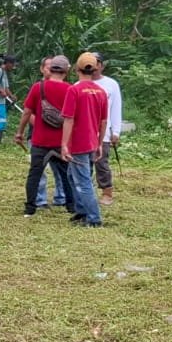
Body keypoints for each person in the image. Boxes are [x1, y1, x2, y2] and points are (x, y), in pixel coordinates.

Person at [15, 56, 76, 216]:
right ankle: (71, 206)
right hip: (60, 142)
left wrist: (20, 132)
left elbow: (27, 112)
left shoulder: (38, 87)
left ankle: (30, 208)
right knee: (66, 175)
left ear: (50, 69)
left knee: (34, 174)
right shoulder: (70, 89)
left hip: (40, 140)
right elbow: (72, 118)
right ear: (66, 71)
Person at [60, 53, 110, 227]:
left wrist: (64, 144)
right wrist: (99, 143)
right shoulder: (101, 92)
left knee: (83, 181)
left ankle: (94, 218)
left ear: (76, 69)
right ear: (95, 69)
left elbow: (69, 119)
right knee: (72, 176)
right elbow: (104, 121)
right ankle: (81, 210)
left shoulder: (74, 90)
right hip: (91, 141)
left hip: (78, 143)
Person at [89, 53, 123, 205]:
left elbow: (116, 108)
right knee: (84, 163)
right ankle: (87, 191)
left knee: (101, 162)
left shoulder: (111, 84)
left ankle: (107, 191)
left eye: (97, 63)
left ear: (101, 65)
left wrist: (116, 131)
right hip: (85, 130)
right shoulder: (79, 85)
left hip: (104, 130)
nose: (94, 67)